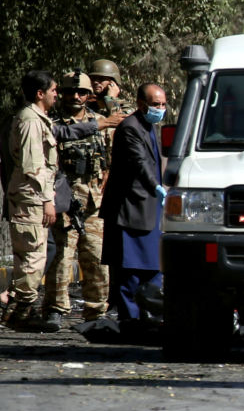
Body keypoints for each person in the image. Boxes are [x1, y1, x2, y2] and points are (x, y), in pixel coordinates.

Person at [40, 71, 114, 330]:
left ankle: (96, 310)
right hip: (64, 201)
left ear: (89, 95)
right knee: (61, 258)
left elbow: (110, 157)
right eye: (70, 92)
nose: (75, 96)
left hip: (94, 202)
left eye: (81, 92)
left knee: (96, 258)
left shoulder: (101, 122)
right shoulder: (51, 123)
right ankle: (55, 309)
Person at [100, 83, 168, 333]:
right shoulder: (130, 127)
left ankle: (150, 318)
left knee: (153, 267)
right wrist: (156, 187)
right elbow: (140, 163)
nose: (160, 109)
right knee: (130, 270)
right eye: (155, 104)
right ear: (141, 104)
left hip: (149, 209)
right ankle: (131, 320)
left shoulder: (149, 126)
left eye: (163, 104)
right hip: (131, 208)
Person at [3, 71, 60, 331]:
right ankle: (21, 313)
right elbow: (32, 165)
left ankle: (19, 310)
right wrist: (47, 200)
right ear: (40, 93)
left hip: (31, 196)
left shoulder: (37, 119)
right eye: (53, 90)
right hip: (31, 197)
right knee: (32, 257)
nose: (56, 95)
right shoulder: (30, 121)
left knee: (33, 254)